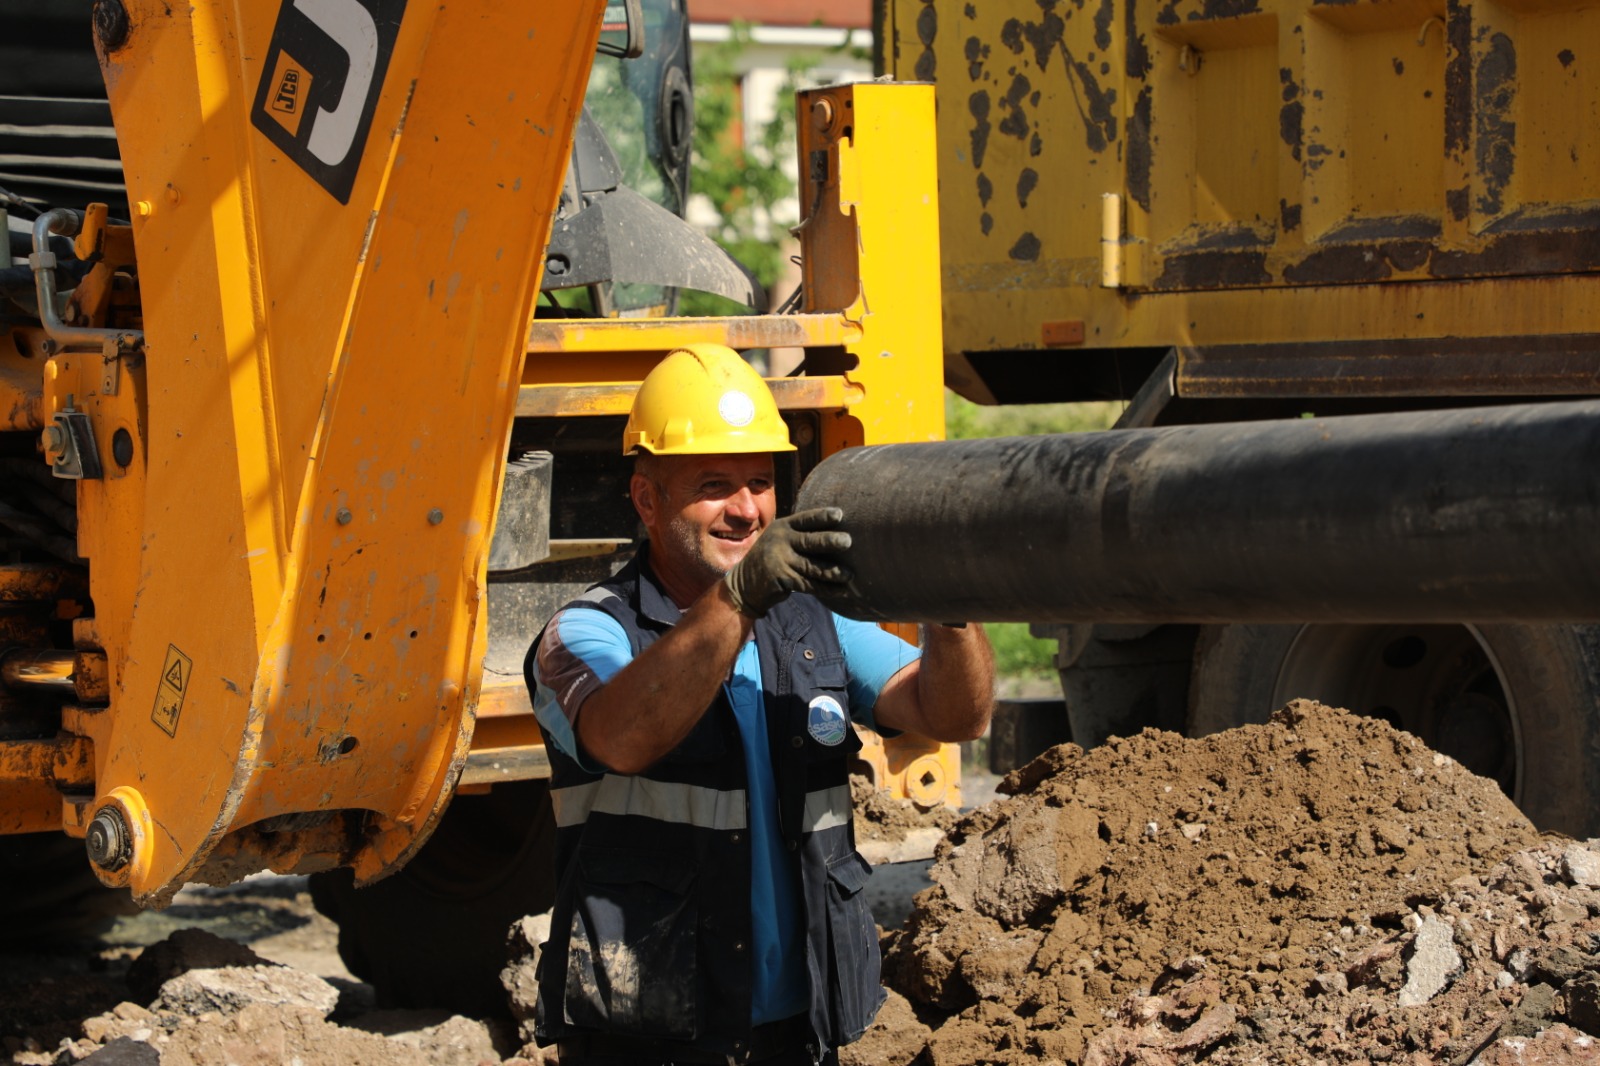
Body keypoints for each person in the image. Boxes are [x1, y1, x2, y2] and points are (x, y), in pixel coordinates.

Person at [525, 344, 994, 1065]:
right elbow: (623, 736)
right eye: (715, 484)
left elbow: (954, 714)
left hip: (798, 1032)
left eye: (760, 482)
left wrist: (949, 601)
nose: (747, 511)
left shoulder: (814, 623)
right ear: (647, 499)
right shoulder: (585, 632)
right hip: (652, 1036)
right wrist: (737, 601)